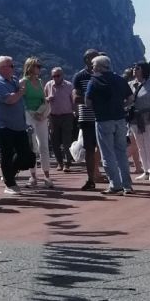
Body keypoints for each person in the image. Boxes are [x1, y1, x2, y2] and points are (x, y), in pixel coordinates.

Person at [0, 57, 33, 198]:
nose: (13, 68)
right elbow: (10, 99)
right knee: (7, 155)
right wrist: (20, 92)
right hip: (4, 125)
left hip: (19, 125)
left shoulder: (13, 81)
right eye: (10, 65)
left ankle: (9, 173)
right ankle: (9, 183)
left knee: (26, 155)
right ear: (2, 68)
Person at [87, 56, 133, 194]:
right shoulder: (120, 80)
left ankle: (115, 185)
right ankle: (127, 185)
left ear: (100, 67)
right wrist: (121, 106)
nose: (92, 67)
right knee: (121, 153)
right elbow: (130, 99)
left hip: (103, 120)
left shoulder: (94, 81)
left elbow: (88, 102)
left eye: (93, 64)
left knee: (107, 153)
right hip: (120, 119)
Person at [72, 49, 102, 191]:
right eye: (93, 57)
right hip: (87, 119)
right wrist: (93, 97)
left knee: (105, 148)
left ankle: (109, 176)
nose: (97, 59)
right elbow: (75, 98)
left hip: (103, 117)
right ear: (87, 60)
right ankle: (91, 179)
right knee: (89, 149)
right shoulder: (79, 76)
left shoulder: (104, 75)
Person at [22, 57, 53, 189]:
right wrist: (31, 113)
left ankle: (47, 176)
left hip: (41, 116)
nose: (39, 68)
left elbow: (42, 99)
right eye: (37, 66)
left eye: (39, 66)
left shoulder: (40, 82)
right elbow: (22, 100)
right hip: (29, 115)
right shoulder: (23, 82)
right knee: (32, 146)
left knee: (44, 145)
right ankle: (33, 176)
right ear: (30, 67)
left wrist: (41, 111)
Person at [44, 67, 76, 172]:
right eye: (53, 76)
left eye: (58, 76)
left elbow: (73, 101)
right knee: (54, 141)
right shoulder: (48, 85)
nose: (55, 78)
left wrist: (76, 112)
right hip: (53, 117)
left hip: (67, 116)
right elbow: (42, 100)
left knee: (67, 141)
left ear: (62, 75)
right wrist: (47, 99)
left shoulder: (69, 86)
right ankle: (59, 162)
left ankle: (67, 163)